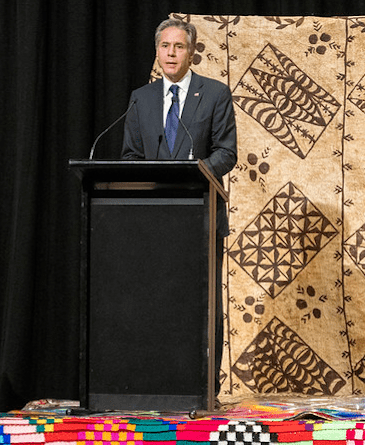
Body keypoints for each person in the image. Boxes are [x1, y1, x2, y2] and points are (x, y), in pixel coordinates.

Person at [121, 18, 238, 396]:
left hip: (200, 215)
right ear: (157, 52)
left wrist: (197, 170)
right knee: (157, 301)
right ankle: (160, 382)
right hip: (155, 217)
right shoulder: (142, 97)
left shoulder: (215, 93)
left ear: (192, 52)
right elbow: (131, 154)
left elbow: (227, 152)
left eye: (179, 47)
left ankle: (205, 386)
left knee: (202, 304)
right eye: (165, 46)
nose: (171, 53)